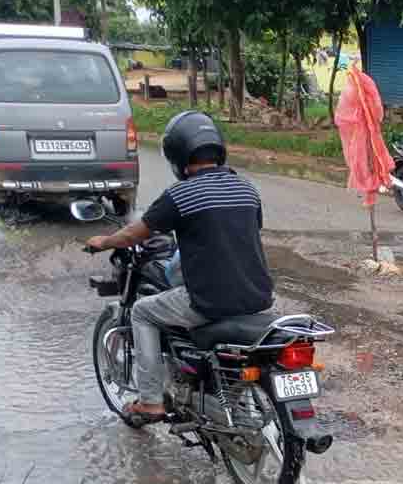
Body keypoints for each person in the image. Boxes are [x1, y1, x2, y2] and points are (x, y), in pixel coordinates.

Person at [86, 111, 274, 423]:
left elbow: (134, 234)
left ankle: (150, 401)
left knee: (142, 312)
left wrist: (104, 241)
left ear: (176, 155)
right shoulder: (246, 189)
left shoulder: (181, 194)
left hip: (210, 302)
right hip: (258, 297)